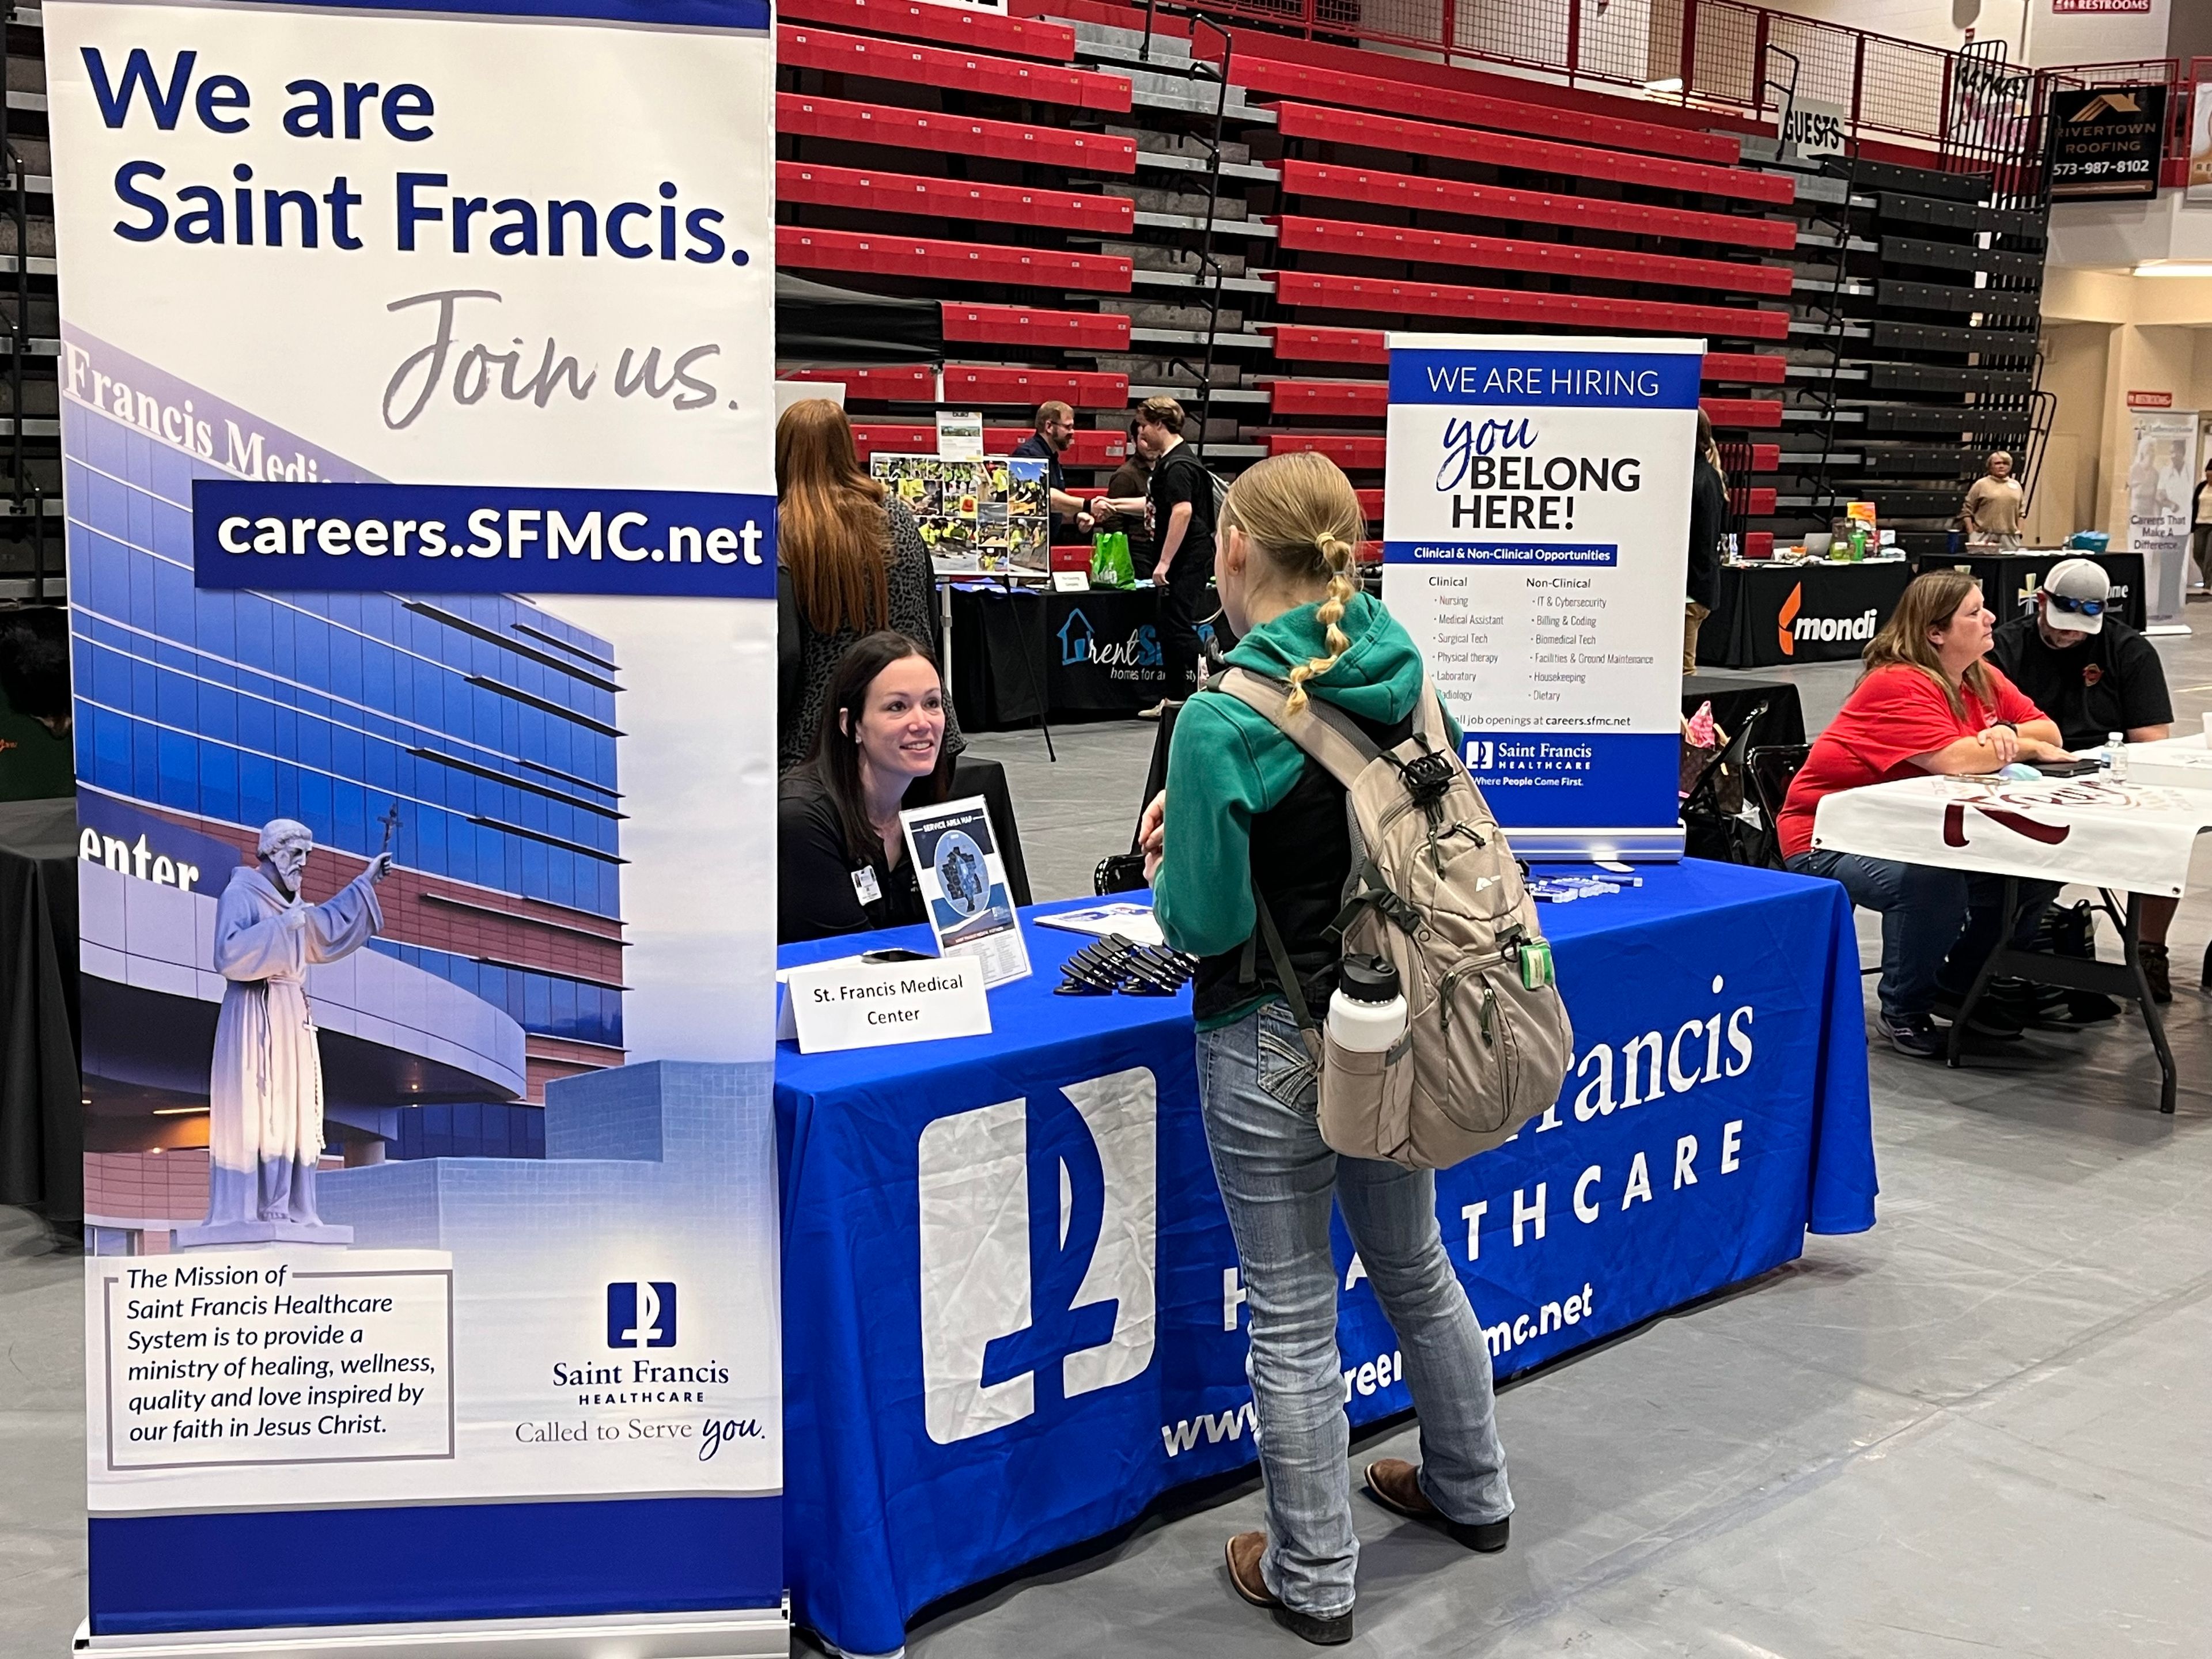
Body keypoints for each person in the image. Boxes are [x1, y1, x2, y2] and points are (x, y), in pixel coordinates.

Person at [1139, 452, 1510, 1646]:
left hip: (1269, 1038)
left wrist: (1171, 854)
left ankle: (1313, 1573)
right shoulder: (1407, 674)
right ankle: (1473, 1487)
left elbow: (1202, 922)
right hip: (1401, 1022)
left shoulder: (1221, 717)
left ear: (1235, 551)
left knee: (1293, 1314)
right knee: (1415, 1267)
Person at [1778, 570, 2071, 1058]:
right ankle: (1904, 1009)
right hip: (1829, 836)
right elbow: (1955, 760)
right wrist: (2010, 746)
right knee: (1931, 883)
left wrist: (2005, 744)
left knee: (2032, 871)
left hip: (1911, 831)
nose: (1990, 618)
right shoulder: (1895, 683)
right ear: (1935, 631)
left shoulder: (1980, 674)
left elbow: (2051, 733)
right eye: (1974, 612)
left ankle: (1959, 985)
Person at [187, 820, 392, 1242]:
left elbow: (326, 926)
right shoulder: (240, 895)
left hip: (292, 1016)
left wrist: (365, 881)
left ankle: (290, 1205)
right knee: (262, 1109)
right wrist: (285, 929)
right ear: (272, 852)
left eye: (306, 855)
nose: (303, 863)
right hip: (255, 1012)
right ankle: (254, 1207)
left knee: (295, 1111)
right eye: (295, 853)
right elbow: (227, 955)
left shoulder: (292, 904)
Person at [1990, 558, 2179, 999]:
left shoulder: (2130, 651)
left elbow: (2151, 740)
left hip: (2106, 771)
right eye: (2062, 622)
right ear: (2041, 602)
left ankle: (2150, 953)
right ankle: (2004, 949)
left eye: (2083, 624)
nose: (2071, 633)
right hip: (2025, 770)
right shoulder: (2004, 649)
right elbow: (1985, 728)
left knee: (2163, 841)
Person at [777, 398, 959, 773]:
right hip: (924, 732)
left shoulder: (785, 528)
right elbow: (926, 613)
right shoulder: (897, 514)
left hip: (822, 741)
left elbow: (788, 652)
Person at [777, 631, 952, 944]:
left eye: (932, 703)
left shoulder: (929, 803)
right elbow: (842, 957)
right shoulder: (801, 817)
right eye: (897, 707)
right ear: (851, 725)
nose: (922, 722)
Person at [1100, 396, 1217, 718]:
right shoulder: (1171, 461)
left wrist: (1164, 562)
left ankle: (1214, 681)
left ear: (1159, 424)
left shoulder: (1178, 466)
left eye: (1144, 425)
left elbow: (1181, 512)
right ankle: (1174, 696)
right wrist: (1111, 504)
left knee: (1178, 625)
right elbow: (1156, 506)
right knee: (1167, 625)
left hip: (1187, 558)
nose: (1141, 432)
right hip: (1182, 556)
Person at [1010, 400, 1093, 532]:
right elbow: (1041, 497)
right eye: (1067, 427)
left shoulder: (1052, 458)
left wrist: (1075, 517)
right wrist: (1087, 505)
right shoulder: (1028, 455)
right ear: (1049, 426)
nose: (1072, 432)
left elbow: (1050, 509)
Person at [1685, 409, 1726, 672]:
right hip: (1699, 587)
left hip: (1691, 591)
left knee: (1683, 671)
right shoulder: (1710, 476)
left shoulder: (1695, 479)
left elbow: (1699, 542)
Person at [1092, 419, 1158, 577]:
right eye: (1143, 439)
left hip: (1161, 546)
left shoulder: (1167, 470)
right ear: (1134, 442)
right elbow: (1112, 521)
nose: (1149, 444)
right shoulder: (1125, 475)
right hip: (1137, 550)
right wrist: (1123, 557)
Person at [1961, 451, 2025, 549]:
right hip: (1983, 535)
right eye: (1997, 463)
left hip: (2010, 536)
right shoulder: (1981, 484)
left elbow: (2021, 513)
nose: (2001, 466)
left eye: (2005, 463)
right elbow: (1967, 512)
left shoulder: (2017, 486)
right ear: (1990, 466)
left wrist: (2019, 532)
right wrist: (1972, 534)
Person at [2192, 458, 2212, 593]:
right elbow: (2194, 505)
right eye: (2207, 475)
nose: (2209, 478)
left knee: (2209, 557)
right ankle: (2209, 578)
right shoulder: (2202, 487)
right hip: (2200, 524)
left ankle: (2207, 585)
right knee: (2198, 554)